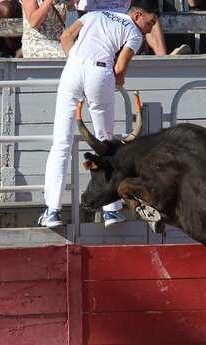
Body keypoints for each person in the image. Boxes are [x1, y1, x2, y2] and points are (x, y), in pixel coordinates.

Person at [38, 0, 159, 228]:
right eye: (150, 23)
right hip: (101, 72)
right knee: (105, 143)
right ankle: (111, 211)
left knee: (61, 144)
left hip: (73, 68)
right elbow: (120, 68)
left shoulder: (94, 15)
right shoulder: (133, 32)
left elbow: (65, 38)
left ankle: (52, 211)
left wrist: (76, 63)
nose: (150, 29)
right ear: (137, 15)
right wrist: (117, 83)